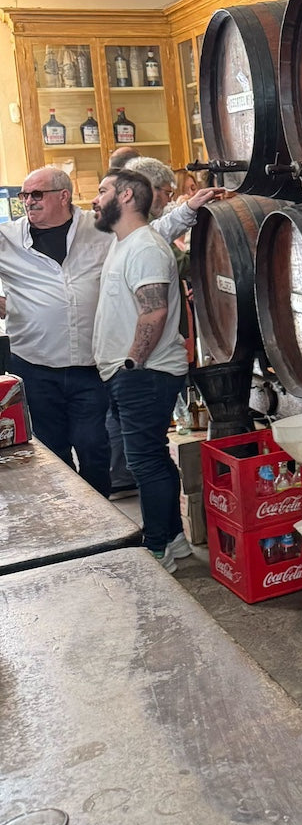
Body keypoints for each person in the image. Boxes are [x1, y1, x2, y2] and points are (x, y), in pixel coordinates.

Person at [91, 169, 191, 573]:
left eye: (103, 191)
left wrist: (132, 362)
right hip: (134, 373)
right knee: (153, 457)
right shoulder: (125, 243)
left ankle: (156, 547)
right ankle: (174, 537)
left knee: (144, 462)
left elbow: (154, 309)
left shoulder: (145, 247)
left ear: (127, 196)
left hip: (143, 374)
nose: (95, 200)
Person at [0, 166, 112, 494]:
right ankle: (69, 521)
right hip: (34, 365)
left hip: (91, 366)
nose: (28, 202)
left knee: (93, 446)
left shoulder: (98, 229)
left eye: (37, 194)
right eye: (24, 195)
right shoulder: (8, 239)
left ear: (63, 196)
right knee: (51, 452)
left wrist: (189, 211)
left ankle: (103, 522)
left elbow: (149, 234)